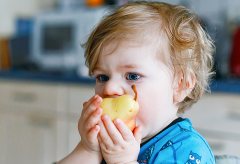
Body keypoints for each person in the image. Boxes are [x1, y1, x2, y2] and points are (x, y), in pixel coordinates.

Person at [57, 1, 215, 163]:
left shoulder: (188, 150)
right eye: (102, 77)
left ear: (180, 85)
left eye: (132, 76)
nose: (110, 88)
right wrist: (88, 149)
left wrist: (124, 162)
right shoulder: (106, 142)